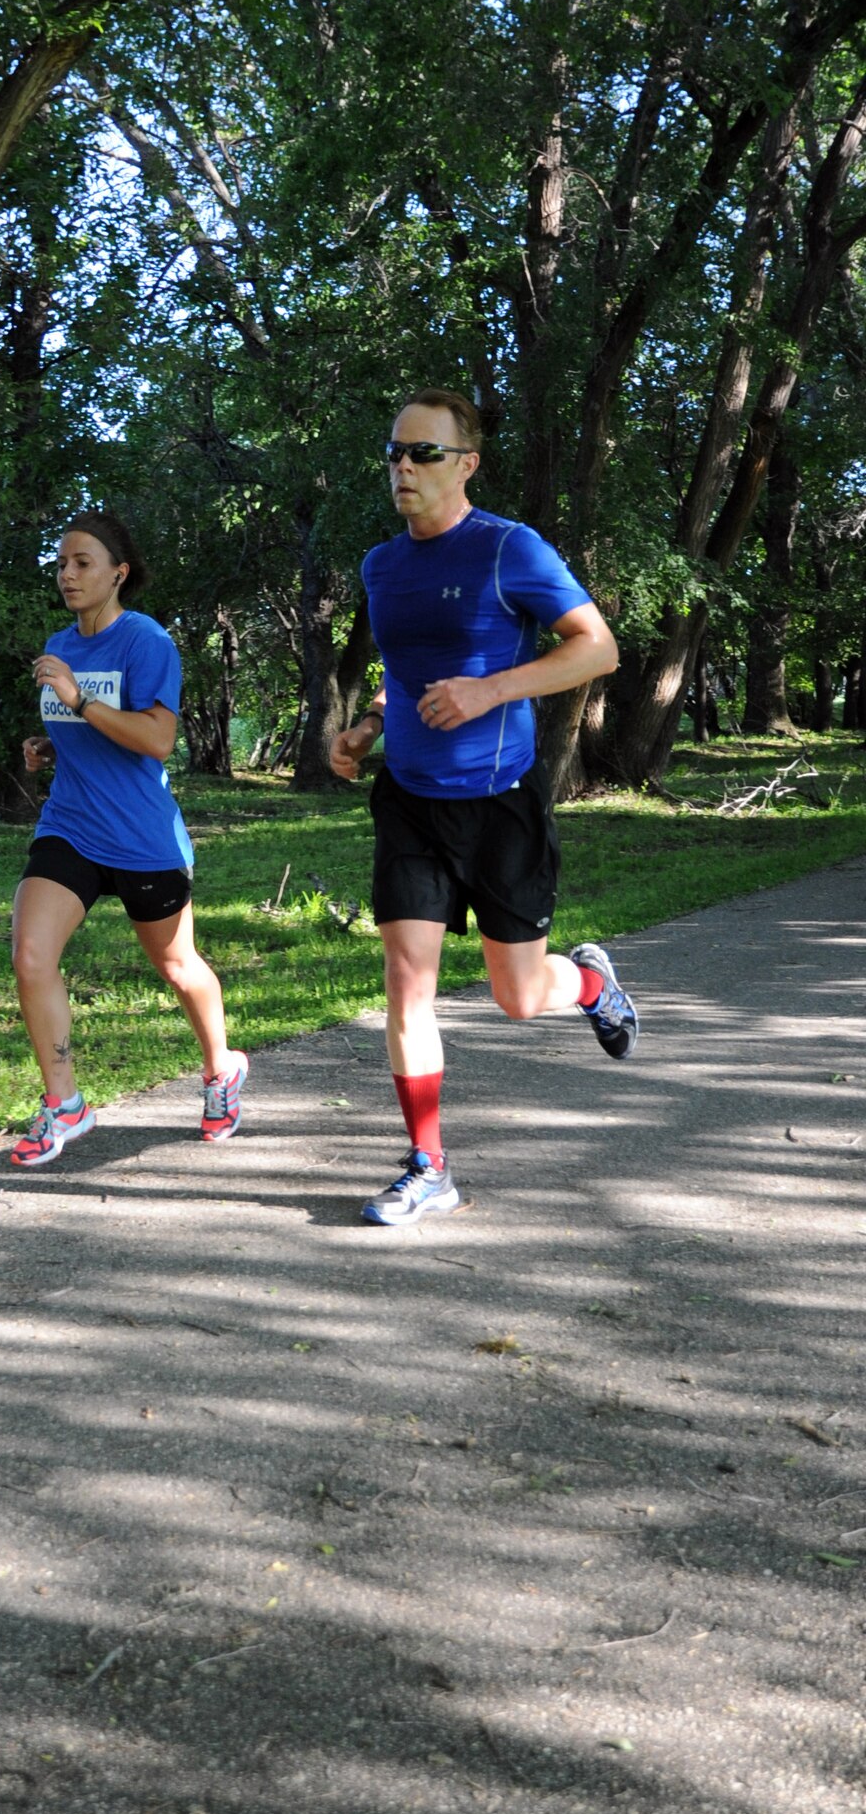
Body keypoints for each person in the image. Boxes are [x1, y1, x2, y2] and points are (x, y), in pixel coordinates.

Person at [330, 388, 639, 1226]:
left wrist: (490, 690)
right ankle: (428, 1165)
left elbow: (597, 648)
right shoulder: (381, 565)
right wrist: (366, 728)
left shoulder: (510, 550)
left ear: (465, 464)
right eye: (394, 451)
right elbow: (406, 677)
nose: (403, 466)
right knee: (406, 987)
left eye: (422, 453)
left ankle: (587, 985)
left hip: (500, 804)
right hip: (411, 804)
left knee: (515, 994)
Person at [10, 510, 248, 1166]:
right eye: (61, 563)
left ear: (118, 572)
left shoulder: (146, 642)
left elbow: (157, 740)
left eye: (82, 562)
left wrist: (80, 700)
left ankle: (222, 1068)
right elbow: (89, 737)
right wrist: (48, 745)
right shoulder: (62, 645)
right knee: (31, 956)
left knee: (178, 967)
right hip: (72, 826)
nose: (67, 574)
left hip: (143, 837)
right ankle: (65, 1104)